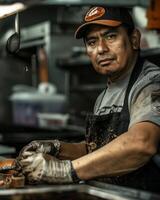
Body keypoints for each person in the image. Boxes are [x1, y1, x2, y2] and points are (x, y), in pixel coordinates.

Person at [18, 6, 160, 192]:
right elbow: (98, 150)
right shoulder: (104, 96)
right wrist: (57, 148)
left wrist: (64, 170)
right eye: (92, 42)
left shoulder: (152, 82)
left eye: (111, 37)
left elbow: (141, 144)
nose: (101, 49)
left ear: (134, 39)